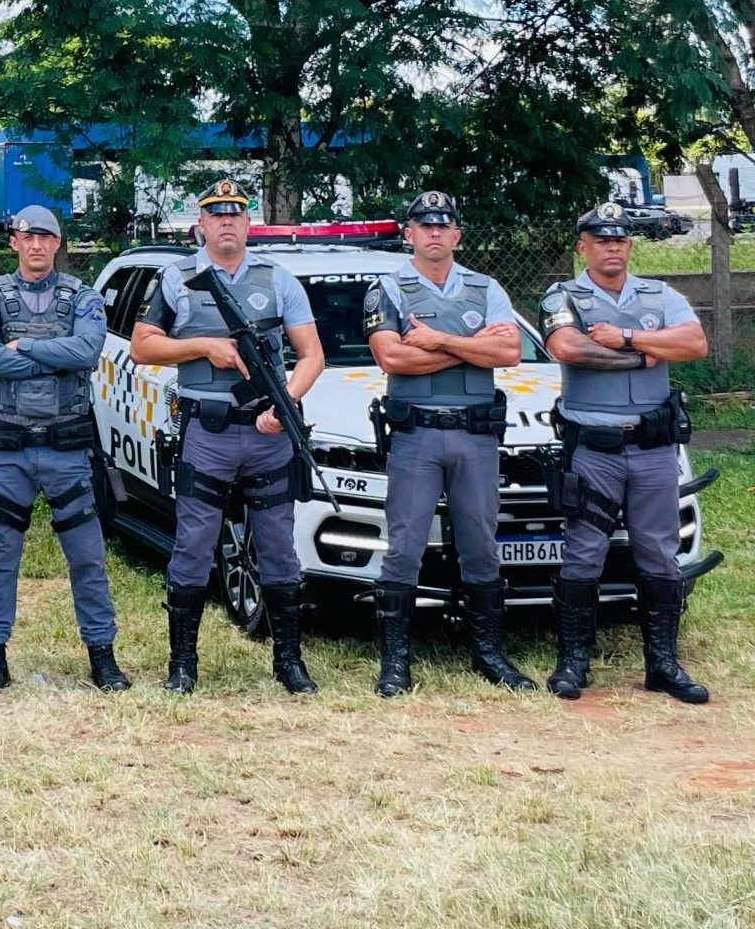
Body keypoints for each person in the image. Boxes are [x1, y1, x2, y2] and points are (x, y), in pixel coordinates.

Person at [130, 179, 324, 694]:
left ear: (248, 223)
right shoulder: (178, 279)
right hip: (208, 432)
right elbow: (143, 347)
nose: (227, 222)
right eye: (216, 215)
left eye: (236, 214)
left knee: (278, 547)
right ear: (201, 225)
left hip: (268, 433)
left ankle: (289, 663)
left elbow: (311, 356)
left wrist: (287, 404)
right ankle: (182, 665)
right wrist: (204, 348)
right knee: (193, 545)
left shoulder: (278, 280)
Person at [540, 201, 711, 703]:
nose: (612, 247)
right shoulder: (564, 295)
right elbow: (568, 348)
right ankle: (574, 662)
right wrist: (646, 353)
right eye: (601, 240)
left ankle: (662, 664)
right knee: (584, 553)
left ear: (629, 245)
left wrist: (627, 336)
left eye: (619, 239)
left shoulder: (661, 294)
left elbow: (695, 342)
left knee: (658, 552)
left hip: (654, 449)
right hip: (594, 450)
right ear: (583, 247)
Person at [363, 190, 531, 696]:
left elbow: (512, 351)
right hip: (417, 436)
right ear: (408, 234)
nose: (434, 232)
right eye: (424, 225)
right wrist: (474, 349)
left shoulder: (486, 288)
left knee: (481, 543)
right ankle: (396, 665)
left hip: (475, 436)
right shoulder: (388, 288)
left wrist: (440, 341)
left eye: (444, 225)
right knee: (405, 546)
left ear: (457, 234)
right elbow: (393, 360)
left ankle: (489, 655)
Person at [0, 204, 128, 693]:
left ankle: (102, 656)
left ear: (58, 244)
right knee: (0, 556)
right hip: (10, 450)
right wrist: (51, 358)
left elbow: (87, 352)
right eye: (27, 236)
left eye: (46, 236)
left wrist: (26, 348)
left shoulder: (81, 297)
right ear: (14, 241)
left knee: (86, 555)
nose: (37, 244)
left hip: (66, 449)